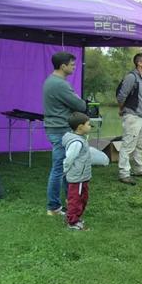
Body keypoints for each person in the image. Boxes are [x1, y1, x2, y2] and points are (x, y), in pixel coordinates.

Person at [42, 51, 87, 216]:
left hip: (56, 128)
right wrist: (79, 101)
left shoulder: (51, 81)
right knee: (59, 168)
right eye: (72, 64)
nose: (74, 67)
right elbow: (80, 105)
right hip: (61, 129)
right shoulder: (60, 84)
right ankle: (53, 206)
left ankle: (70, 200)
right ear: (63, 66)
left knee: (65, 167)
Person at [116, 53, 142, 185]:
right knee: (128, 145)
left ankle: (139, 169)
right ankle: (124, 173)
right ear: (139, 63)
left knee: (141, 144)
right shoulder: (131, 77)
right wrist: (122, 109)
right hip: (132, 116)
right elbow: (121, 96)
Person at [62, 112, 93, 231]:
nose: (90, 126)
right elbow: (69, 158)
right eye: (88, 124)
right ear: (80, 127)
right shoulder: (76, 142)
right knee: (75, 199)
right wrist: (65, 169)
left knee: (83, 198)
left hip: (82, 176)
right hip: (77, 177)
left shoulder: (80, 139)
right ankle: (72, 222)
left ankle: (75, 217)